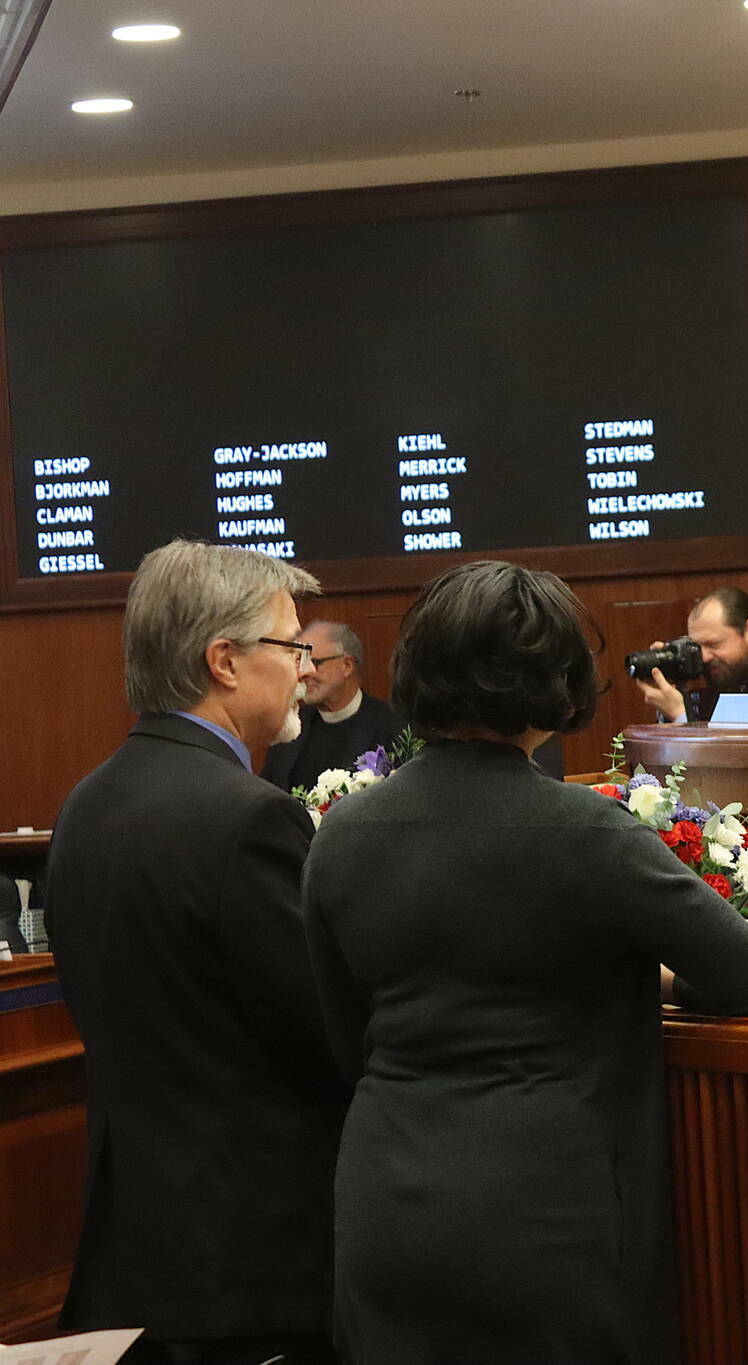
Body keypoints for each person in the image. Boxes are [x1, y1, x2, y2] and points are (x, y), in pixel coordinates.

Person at [301, 560, 748, 1365]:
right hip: (545, 1211)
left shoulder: (341, 835)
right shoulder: (588, 832)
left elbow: (343, 1032)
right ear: (560, 684)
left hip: (383, 1201)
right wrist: (649, 972)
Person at [44, 539, 348, 1365]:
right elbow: (329, 1033)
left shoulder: (86, 802)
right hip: (251, 1265)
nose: (307, 671)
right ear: (223, 659)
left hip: (138, 1251)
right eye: (291, 648)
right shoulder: (249, 817)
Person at [262, 620, 407, 791]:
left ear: (347, 666)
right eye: (299, 661)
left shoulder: (393, 729)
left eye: (315, 662)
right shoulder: (289, 728)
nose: (304, 673)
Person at [633, 586, 748, 723]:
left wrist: (680, 714)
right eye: (697, 647)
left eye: (713, 644)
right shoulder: (722, 682)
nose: (704, 657)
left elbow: (738, 743)